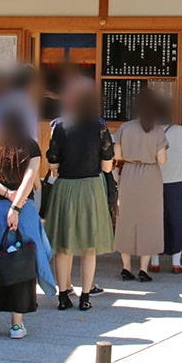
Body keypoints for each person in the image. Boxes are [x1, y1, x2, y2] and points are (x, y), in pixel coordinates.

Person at [0, 111, 56, 339]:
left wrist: (6, 193)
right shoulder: (31, 146)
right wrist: (15, 206)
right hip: (23, 211)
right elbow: (30, 178)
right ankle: (16, 325)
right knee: (21, 262)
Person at [45, 87, 115, 311]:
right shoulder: (100, 128)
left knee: (63, 247)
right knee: (89, 245)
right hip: (91, 187)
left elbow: (52, 164)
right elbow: (107, 165)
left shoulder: (61, 127)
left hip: (65, 186)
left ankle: (63, 296)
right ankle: (85, 296)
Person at [114, 89, 168, 282]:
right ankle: (144, 269)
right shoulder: (158, 130)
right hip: (150, 176)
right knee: (150, 220)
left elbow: (117, 156)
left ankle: (126, 267)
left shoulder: (125, 128)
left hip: (129, 173)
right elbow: (162, 160)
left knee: (126, 219)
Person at [152, 101, 182, 274]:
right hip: (177, 182)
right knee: (177, 221)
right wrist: (178, 163)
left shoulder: (150, 131)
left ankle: (154, 262)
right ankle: (176, 263)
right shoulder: (181, 131)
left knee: (155, 221)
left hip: (153, 182)